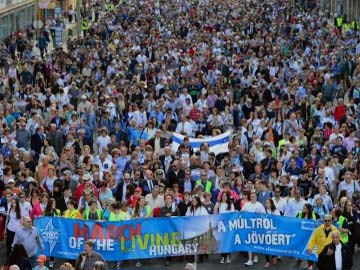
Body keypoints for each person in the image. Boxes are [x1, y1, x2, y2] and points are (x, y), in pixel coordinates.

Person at [242, 190, 265, 266]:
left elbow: (265, 216)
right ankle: (250, 259)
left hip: (257, 227)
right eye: (251, 196)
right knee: (249, 242)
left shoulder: (260, 205)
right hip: (248, 227)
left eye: (254, 196)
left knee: (256, 242)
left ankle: (256, 255)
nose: (252, 197)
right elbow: (241, 213)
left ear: (256, 197)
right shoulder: (246, 205)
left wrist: (259, 215)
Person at [214, 191, 235, 264]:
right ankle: (223, 257)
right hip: (220, 224)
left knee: (227, 241)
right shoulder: (218, 203)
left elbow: (233, 215)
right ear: (221, 196)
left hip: (228, 225)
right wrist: (217, 207)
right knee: (222, 241)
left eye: (226, 196)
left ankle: (228, 256)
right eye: (223, 196)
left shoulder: (230, 204)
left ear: (227, 197)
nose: (224, 197)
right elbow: (215, 214)